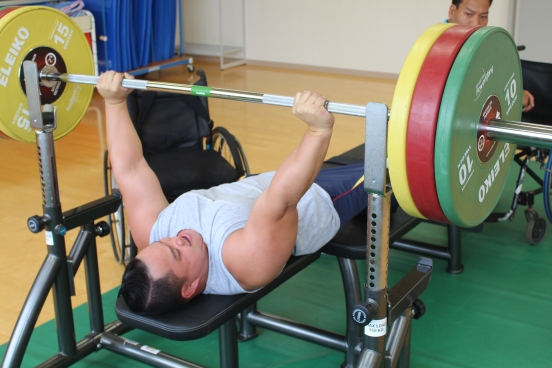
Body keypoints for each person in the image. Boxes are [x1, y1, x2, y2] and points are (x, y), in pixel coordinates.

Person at [98, 71, 368, 315]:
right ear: (190, 288)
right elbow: (280, 201)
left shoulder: (154, 237)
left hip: (264, 184)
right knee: (384, 169)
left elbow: (129, 170)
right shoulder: (243, 263)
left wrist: (114, 102)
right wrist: (317, 131)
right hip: (315, 198)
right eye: (177, 253)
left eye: (163, 243)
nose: (175, 239)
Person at [447, 0, 535, 113]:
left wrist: (517, 95)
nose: (476, 23)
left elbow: (494, 85)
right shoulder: (437, 47)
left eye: (483, 16)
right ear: (453, 11)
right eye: (469, 14)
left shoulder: (485, 46)